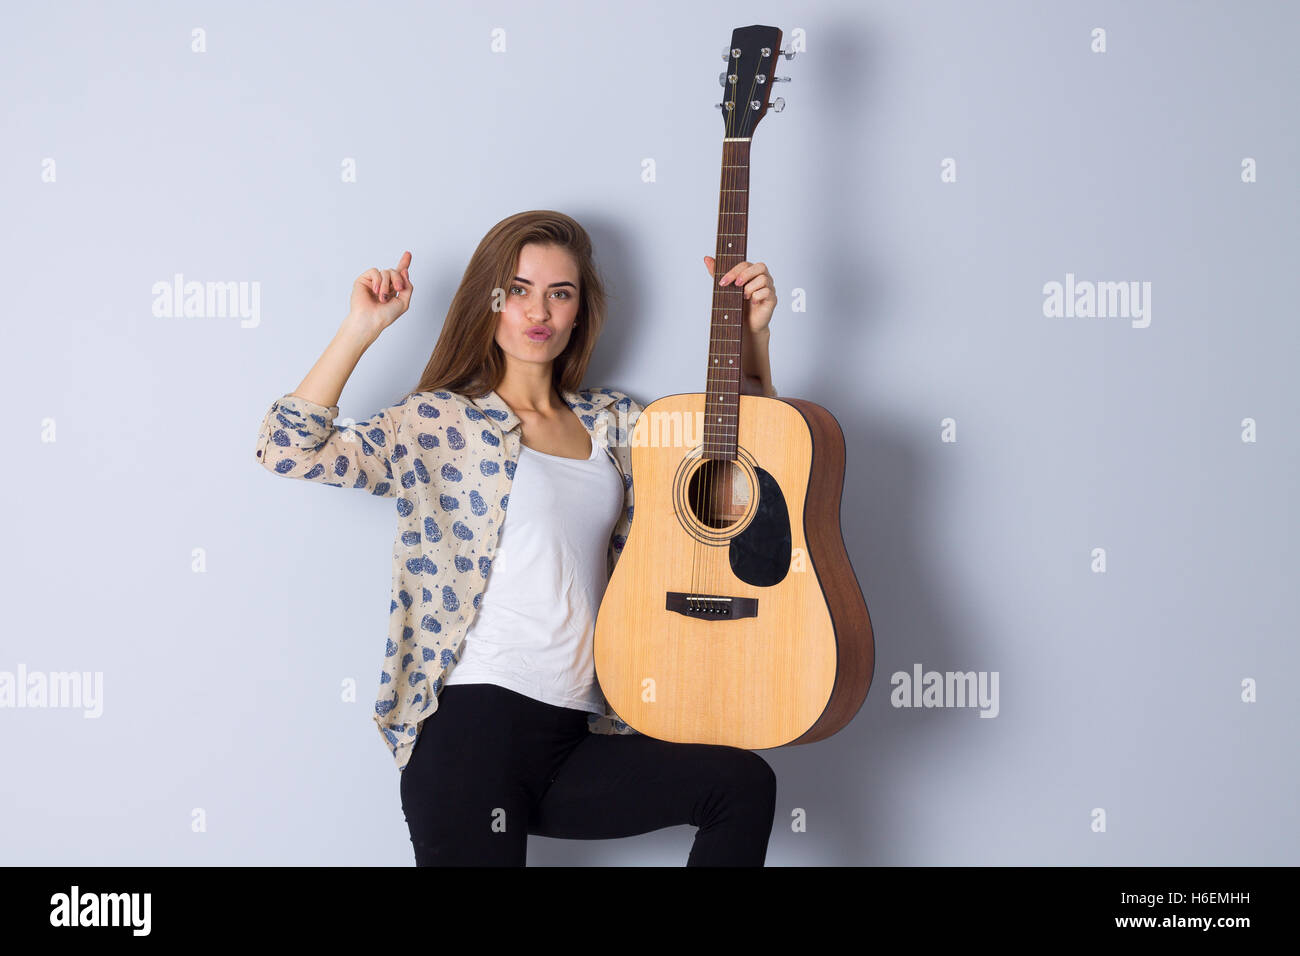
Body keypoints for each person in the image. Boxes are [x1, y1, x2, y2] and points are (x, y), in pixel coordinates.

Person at [254, 210, 780, 866]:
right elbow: (287, 448)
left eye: (560, 293)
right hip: (473, 730)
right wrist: (361, 328)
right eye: (519, 290)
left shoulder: (616, 425)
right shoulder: (443, 422)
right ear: (490, 303)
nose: (540, 311)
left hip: (576, 733)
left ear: (580, 312)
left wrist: (752, 340)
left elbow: (745, 476)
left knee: (739, 784)